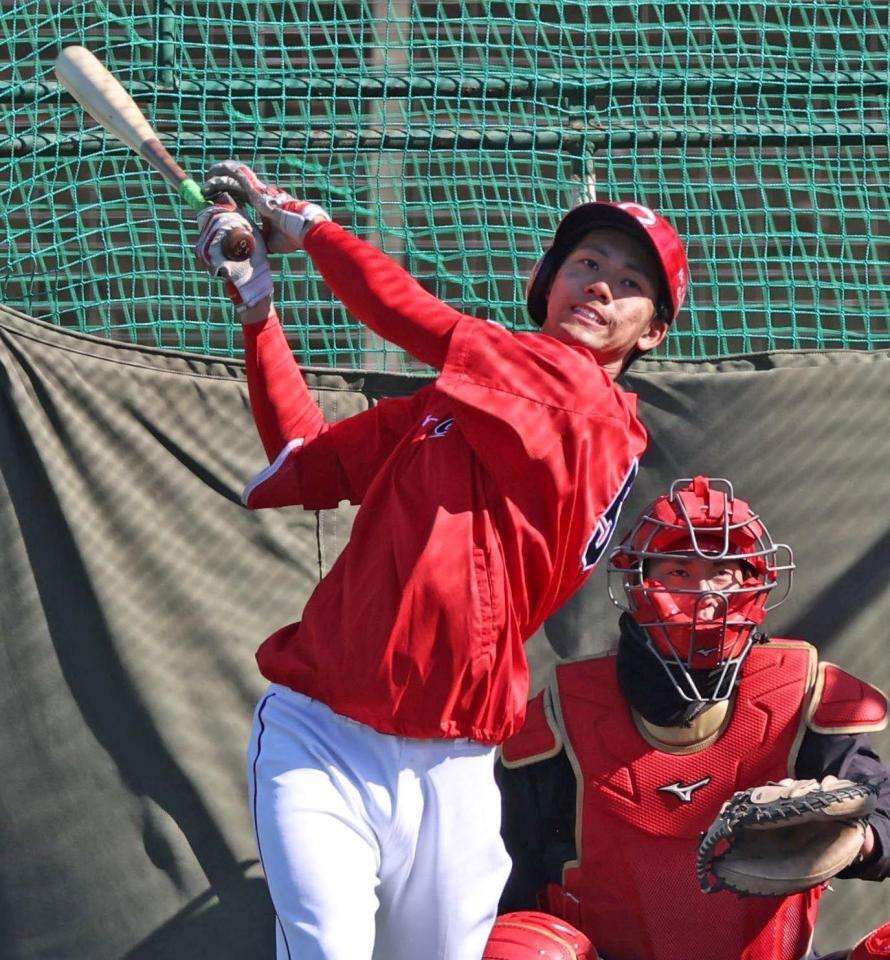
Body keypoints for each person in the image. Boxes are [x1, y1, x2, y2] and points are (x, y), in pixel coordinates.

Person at [192, 159, 689, 960]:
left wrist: (306, 224)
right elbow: (303, 463)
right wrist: (258, 311)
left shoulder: (590, 410)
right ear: (545, 281)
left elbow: (408, 315)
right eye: (586, 262)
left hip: (453, 765)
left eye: (631, 283)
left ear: (652, 332)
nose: (600, 284)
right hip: (323, 733)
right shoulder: (455, 403)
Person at [497, 475, 890, 960]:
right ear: (638, 584)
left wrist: (859, 841)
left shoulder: (804, 691)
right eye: (679, 571)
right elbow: (504, 871)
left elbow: (883, 812)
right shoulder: (566, 709)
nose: (704, 593)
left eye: (722, 572)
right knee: (517, 949)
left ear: (755, 584)